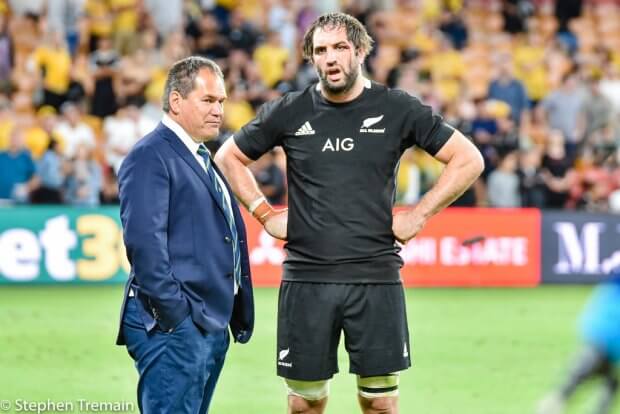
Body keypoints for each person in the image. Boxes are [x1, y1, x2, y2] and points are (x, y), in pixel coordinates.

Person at [215, 12, 484, 414]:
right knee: (305, 404)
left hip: (375, 277)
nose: (330, 58)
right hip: (307, 278)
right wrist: (264, 214)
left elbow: (468, 159)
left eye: (340, 48)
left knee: (380, 404)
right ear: (312, 58)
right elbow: (228, 156)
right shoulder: (290, 110)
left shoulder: (396, 108)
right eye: (320, 50)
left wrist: (419, 215)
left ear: (359, 51)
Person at [116, 56, 254, 413]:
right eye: (208, 100)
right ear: (176, 102)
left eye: (221, 101)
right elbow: (145, 247)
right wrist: (177, 318)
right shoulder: (150, 156)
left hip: (205, 322)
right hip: (176, 326)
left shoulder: (199, 156)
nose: (218, 110)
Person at [536, 271, 620, 414]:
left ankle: (561, 396)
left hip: (601, 326)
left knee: (600, 366)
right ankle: (562, 396)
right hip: (607, 325)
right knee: (607, 372)